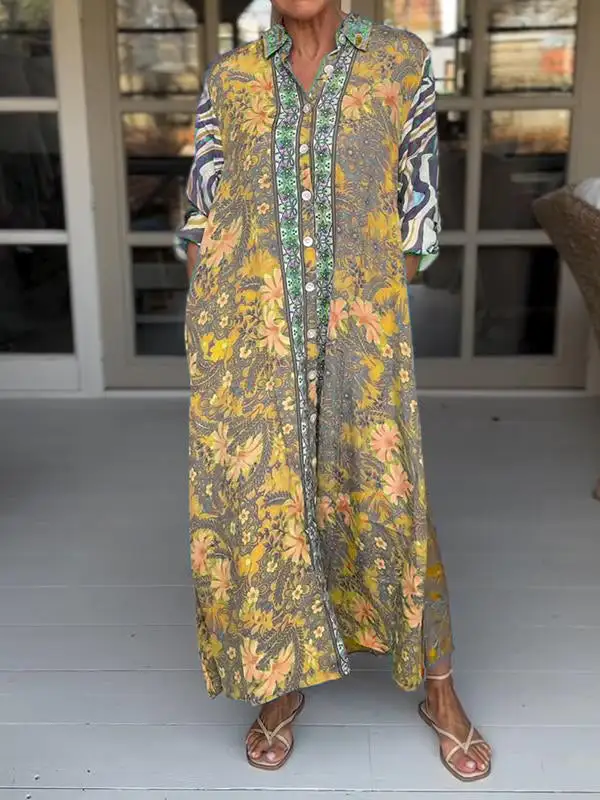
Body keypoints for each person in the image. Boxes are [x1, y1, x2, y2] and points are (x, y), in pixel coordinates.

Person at [177, 0, 492, 781]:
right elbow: (202, 215)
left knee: (389, 494)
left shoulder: (399, 61)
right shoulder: (232, 79)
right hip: (255, 336)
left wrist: (365, 302)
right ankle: (280, 684)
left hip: (361, 333)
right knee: (270, 503)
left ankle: (440, 691)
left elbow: (418, 212)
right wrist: (224, 322)